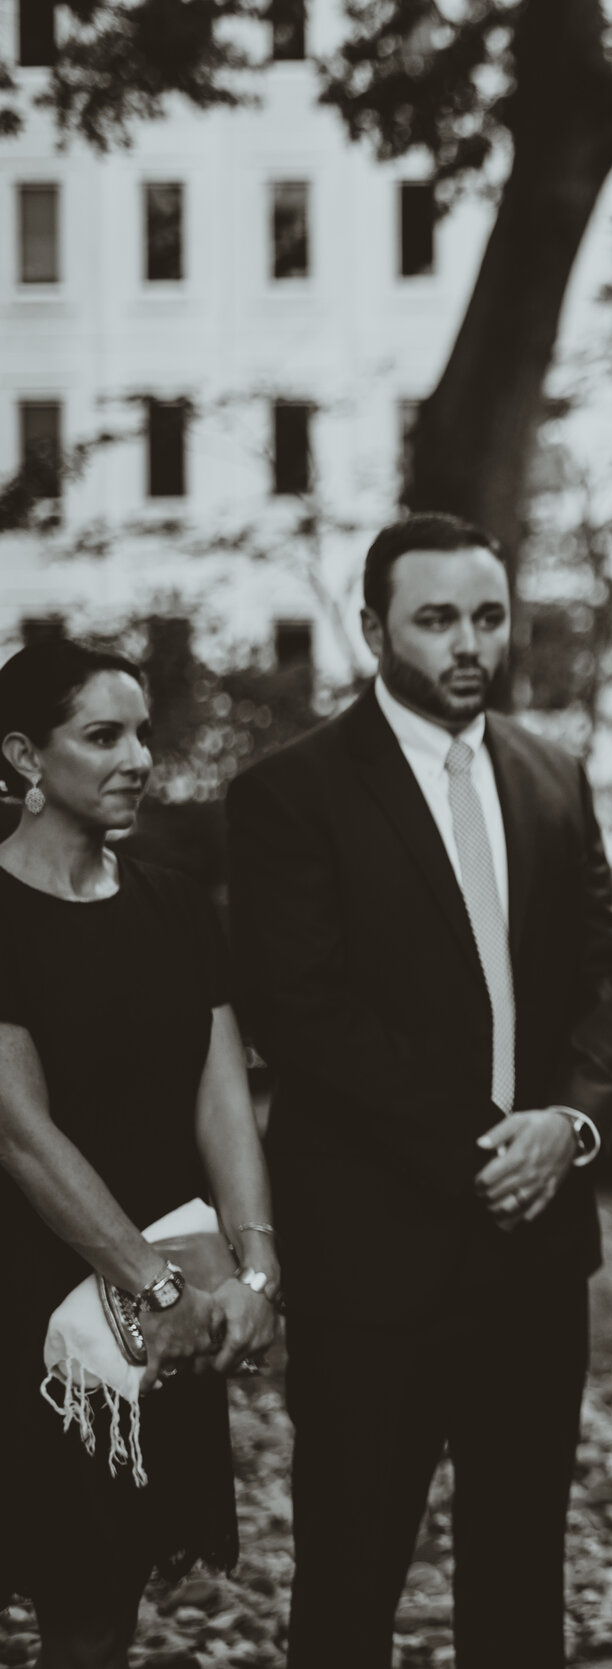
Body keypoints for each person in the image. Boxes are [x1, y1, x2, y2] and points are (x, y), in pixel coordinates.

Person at [225, 514, 612, 1669]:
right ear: (372, 627)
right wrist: (490, 1147)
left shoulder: (552, 773)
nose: (470, 643)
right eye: (437, 618)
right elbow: (304, 1017)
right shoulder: (289, 794)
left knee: (521, 1587)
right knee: (350, 1589)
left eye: (489, 616)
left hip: (539, 1252)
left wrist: (566, 1126)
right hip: (375, 1258)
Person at [0, 638, 283, 1669]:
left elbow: (222, 1096)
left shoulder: (171, 901)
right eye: (101, 735)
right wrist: (157, 1289)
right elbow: (20, 1132)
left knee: (99, 1599)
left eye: (144, 735)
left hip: (166, 1292)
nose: (136, 759)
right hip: (26, 1289)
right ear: (27, 757)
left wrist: (255, 1272)